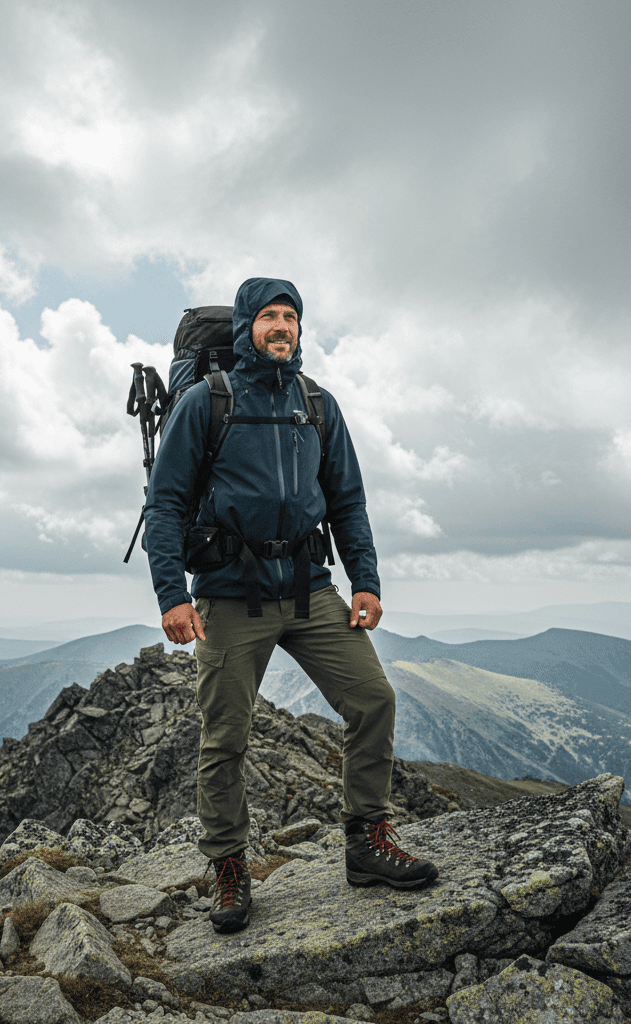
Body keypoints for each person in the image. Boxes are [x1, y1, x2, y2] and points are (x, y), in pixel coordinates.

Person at [143, 277, 438, 934]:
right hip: (228, 595)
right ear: (247, 325)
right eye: (270, 316)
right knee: (225, 737)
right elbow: (164, 505)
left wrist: (365, 581)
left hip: (310, 590)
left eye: (291, 317)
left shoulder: (317, 404)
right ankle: (228, 866)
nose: (282, 326)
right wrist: (171, 595)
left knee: (374, 700)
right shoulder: (204, 403)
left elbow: (347, 502)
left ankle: (366, 841)